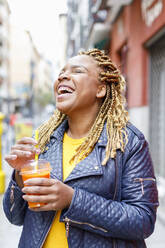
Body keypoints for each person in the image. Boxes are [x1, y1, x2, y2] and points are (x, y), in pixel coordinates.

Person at [3, 49, 158, 248]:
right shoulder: (41, 140)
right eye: (61, 72)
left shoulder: (128, 142)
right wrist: (19, 175)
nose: (62, 76)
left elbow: (143, 220)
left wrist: (72, 200)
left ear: (100, 89)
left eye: (77, 71)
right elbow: (14, 216)